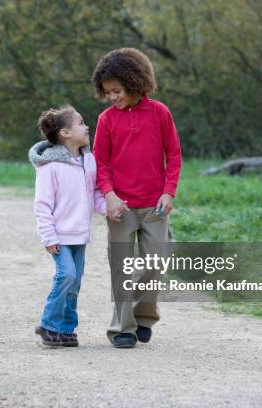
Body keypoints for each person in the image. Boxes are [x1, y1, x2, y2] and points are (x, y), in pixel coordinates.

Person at [92, 47, 182, 348]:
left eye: (116, 90)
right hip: (121, 207)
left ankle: (143, 316)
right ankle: (123, 329)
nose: (112, 97)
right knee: (121, 268)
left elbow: (175, 155)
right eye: (107, 93)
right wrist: (109, 196)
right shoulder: (106, 120)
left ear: (134, 82)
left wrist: (169, 191)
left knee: (157, 260)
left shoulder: (160, 113)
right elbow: (100, 163)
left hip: (155, 206)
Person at [29, 105, 108, 347]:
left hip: (80, 235)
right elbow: (42, 205)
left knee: (74, 283)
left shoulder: (88, 161)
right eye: (81, 123)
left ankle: (66, 330)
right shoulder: (50, 166)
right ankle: (48, 325)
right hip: (59, 236)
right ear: (65, 133)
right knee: (67, 275)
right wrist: (48, 236)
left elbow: (93, 195)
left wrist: (110, 208)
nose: (87, 127)